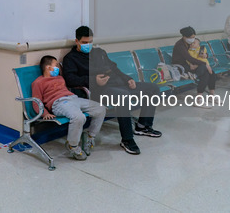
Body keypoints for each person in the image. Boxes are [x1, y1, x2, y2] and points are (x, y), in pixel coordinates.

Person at [63, 26, 162, 155]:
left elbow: (114, 68)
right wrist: (93, 80)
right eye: (85, 42)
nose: (88, 45)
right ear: (77, 41)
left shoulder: (99, 53)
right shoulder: (71, 59)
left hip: (118, 84)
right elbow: (70, 80)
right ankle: (127, 139)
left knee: (153, 89)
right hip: (98, 91)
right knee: (123, 97)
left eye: (90, 42)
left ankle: (143, 126)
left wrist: (127, 79)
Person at [31, 55, 106, 160]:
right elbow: (36, 101)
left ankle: (89, 136)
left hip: (73, 98)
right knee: (79, 117)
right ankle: (73, 145)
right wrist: (45, 113)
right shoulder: (38, 82)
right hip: (59, 103)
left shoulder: (60, 78)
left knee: (100, 108)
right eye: (56, 65)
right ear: (48, 67)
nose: (58, 67)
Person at [171, 27, 215, 107]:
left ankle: (211, 96)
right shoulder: (180, 45)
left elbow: (198, 53)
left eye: (194, 37)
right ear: (184, 37)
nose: (193, 39)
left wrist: (206, 55)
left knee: (211, 72)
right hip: (181, 67)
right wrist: (205, 64)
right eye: (191, 37)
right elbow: (189, 58)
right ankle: (199, 100)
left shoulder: (189, 43)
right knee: (205, 71)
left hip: (190, 64)